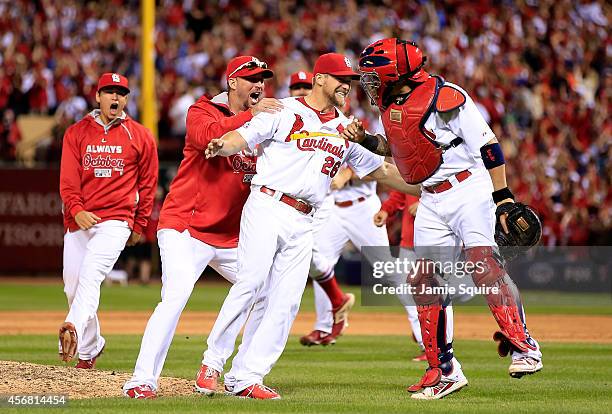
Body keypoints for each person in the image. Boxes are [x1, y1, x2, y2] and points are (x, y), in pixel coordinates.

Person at [199, 53, 420, 399]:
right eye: (339, 79)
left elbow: (384, 171)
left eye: (349, 80)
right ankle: (212, 363)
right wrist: (221, 145)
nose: (346, 86)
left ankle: (246, 377)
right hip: (268, 204)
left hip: (306, 218)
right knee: (252, 283)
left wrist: (434, 187)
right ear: (319, 80)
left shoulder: (346, 129)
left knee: (286, 302)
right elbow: (240, 138)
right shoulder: (284, 110)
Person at [343, 38, 542, 400]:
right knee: (423, 282)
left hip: (468, 188)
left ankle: (525, 346)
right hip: (431, 196)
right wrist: (368, 141)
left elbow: (489, 145)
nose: (369, 81)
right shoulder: (392, 102)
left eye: (374, 74)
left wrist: (503, 196)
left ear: (395, 72)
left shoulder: (445, 96)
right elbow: (402, 146)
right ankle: (444, 371)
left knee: (484, 265)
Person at [122, 56, 282, 399]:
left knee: (267, 290)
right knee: (175, 296)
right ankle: (141, 380)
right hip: (185, 227)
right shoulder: (203, 109)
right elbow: (206, 136)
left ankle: (239, 375)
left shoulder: (264, 123)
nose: (259, 85)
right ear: (233, 82)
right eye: (252, 78)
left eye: (263, 79)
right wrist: (252, 115)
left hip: (230, 236)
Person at [286, 71, 424, 353]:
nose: (300, 90)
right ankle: (327, 327)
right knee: (319, 263)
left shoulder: (351, 119)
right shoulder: (299, 121)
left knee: (388, 271)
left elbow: (379, 166)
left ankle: (424, 334)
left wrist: (348, 173)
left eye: (303, 85)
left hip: (362, 208)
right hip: (330, 209)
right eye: (295, 87)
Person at [58, 73, 159, 369]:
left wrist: (139, 224)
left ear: (127, 99)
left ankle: (71, 326)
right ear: (98, 96)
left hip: (116, 219)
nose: (115, 98)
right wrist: (76, 209)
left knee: (91, 274)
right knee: (73, 286)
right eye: (109, 92)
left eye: (121, 93)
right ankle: (91, 348)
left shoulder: (139, 135)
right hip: (79, 220)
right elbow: (67, 180)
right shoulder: (76, 132)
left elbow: (148, 183)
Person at [374, 191, 426, 360]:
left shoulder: (444, 167)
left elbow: (455, 194)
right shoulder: (411, 169)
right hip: (408, 243)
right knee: (405, 292)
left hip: (434, 242)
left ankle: (433, 338)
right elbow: (399, 193)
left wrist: (425, 206)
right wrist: (385, 210)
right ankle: (426, 342)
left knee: (437, 294)